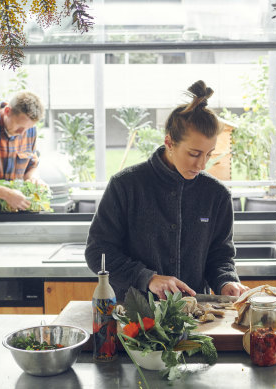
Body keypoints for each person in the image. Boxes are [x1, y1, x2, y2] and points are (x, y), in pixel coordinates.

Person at [85, 80, 249, 301]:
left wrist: (226, 280)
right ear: (169, 142)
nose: (202, 165)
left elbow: (220, 256)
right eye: (193, 153)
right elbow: (98, 253)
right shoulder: (125, 186)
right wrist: (147, 278)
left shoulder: (216, 195)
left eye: (209, 154)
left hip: (196, 317)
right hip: (135, 320)